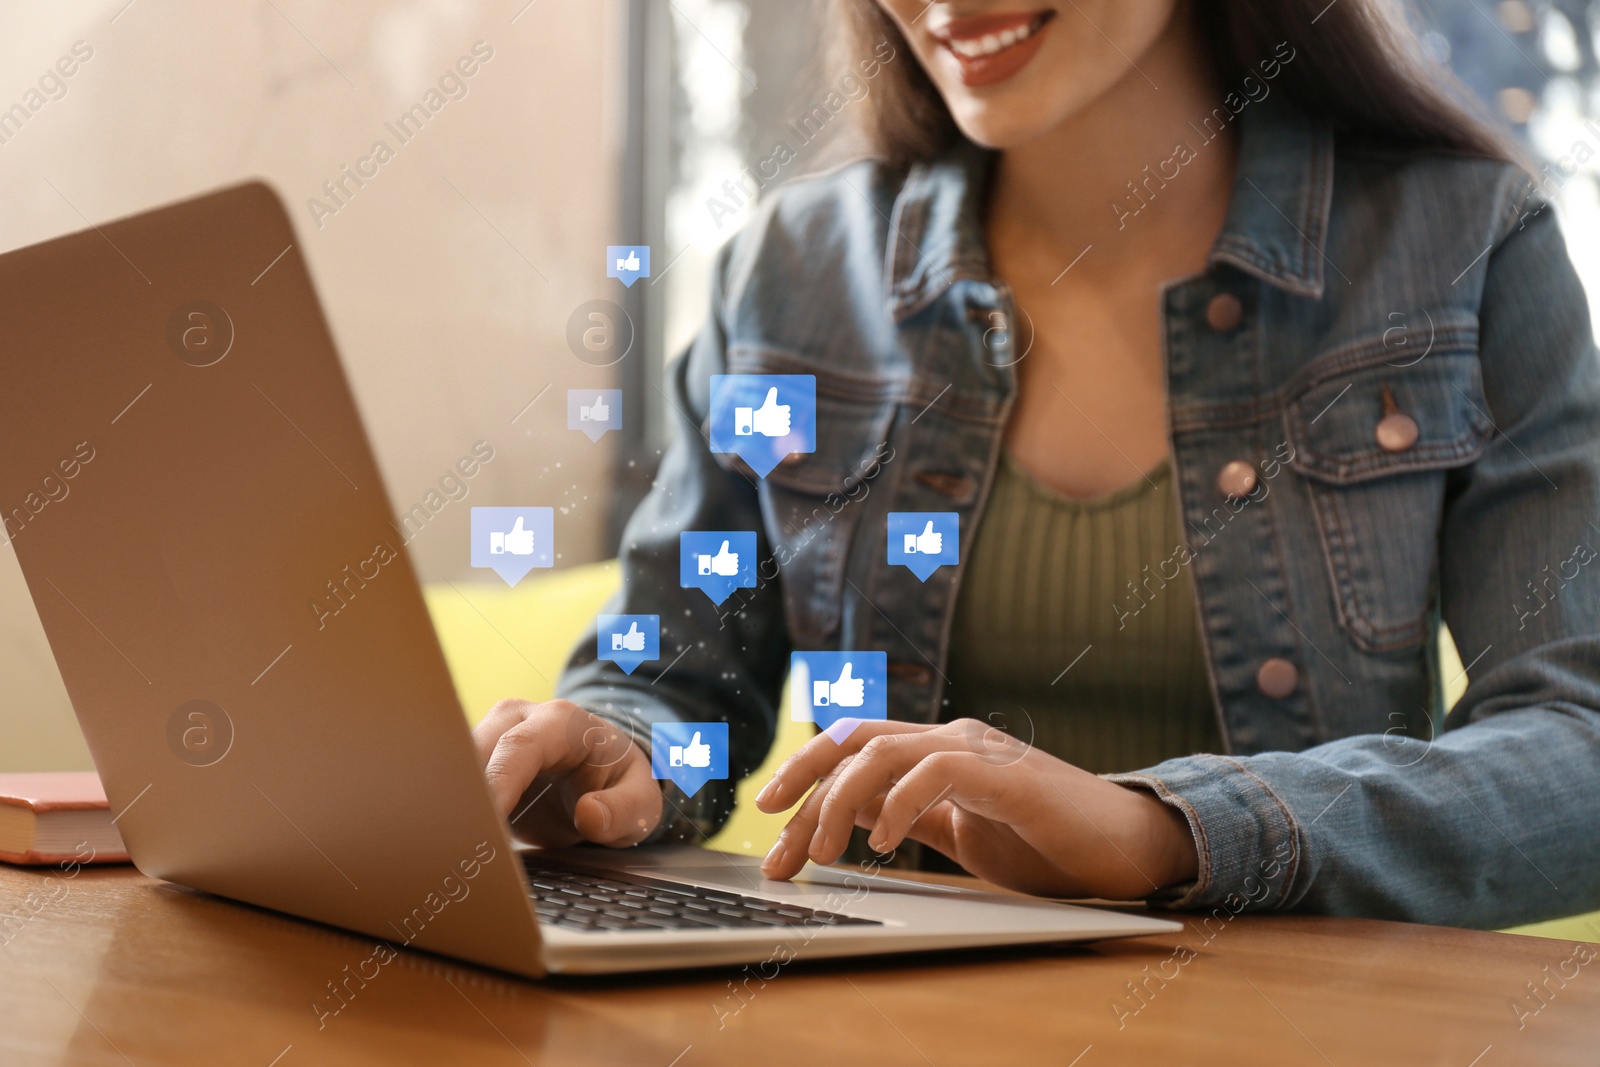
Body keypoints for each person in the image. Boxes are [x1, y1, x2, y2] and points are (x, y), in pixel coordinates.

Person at [473, 0, 1600, 926]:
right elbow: (678, 682)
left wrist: (1168, 828)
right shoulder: (788, 276)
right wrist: (614, 745)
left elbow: (1580, 751)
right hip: (880, 1026)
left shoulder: (1463, 245)